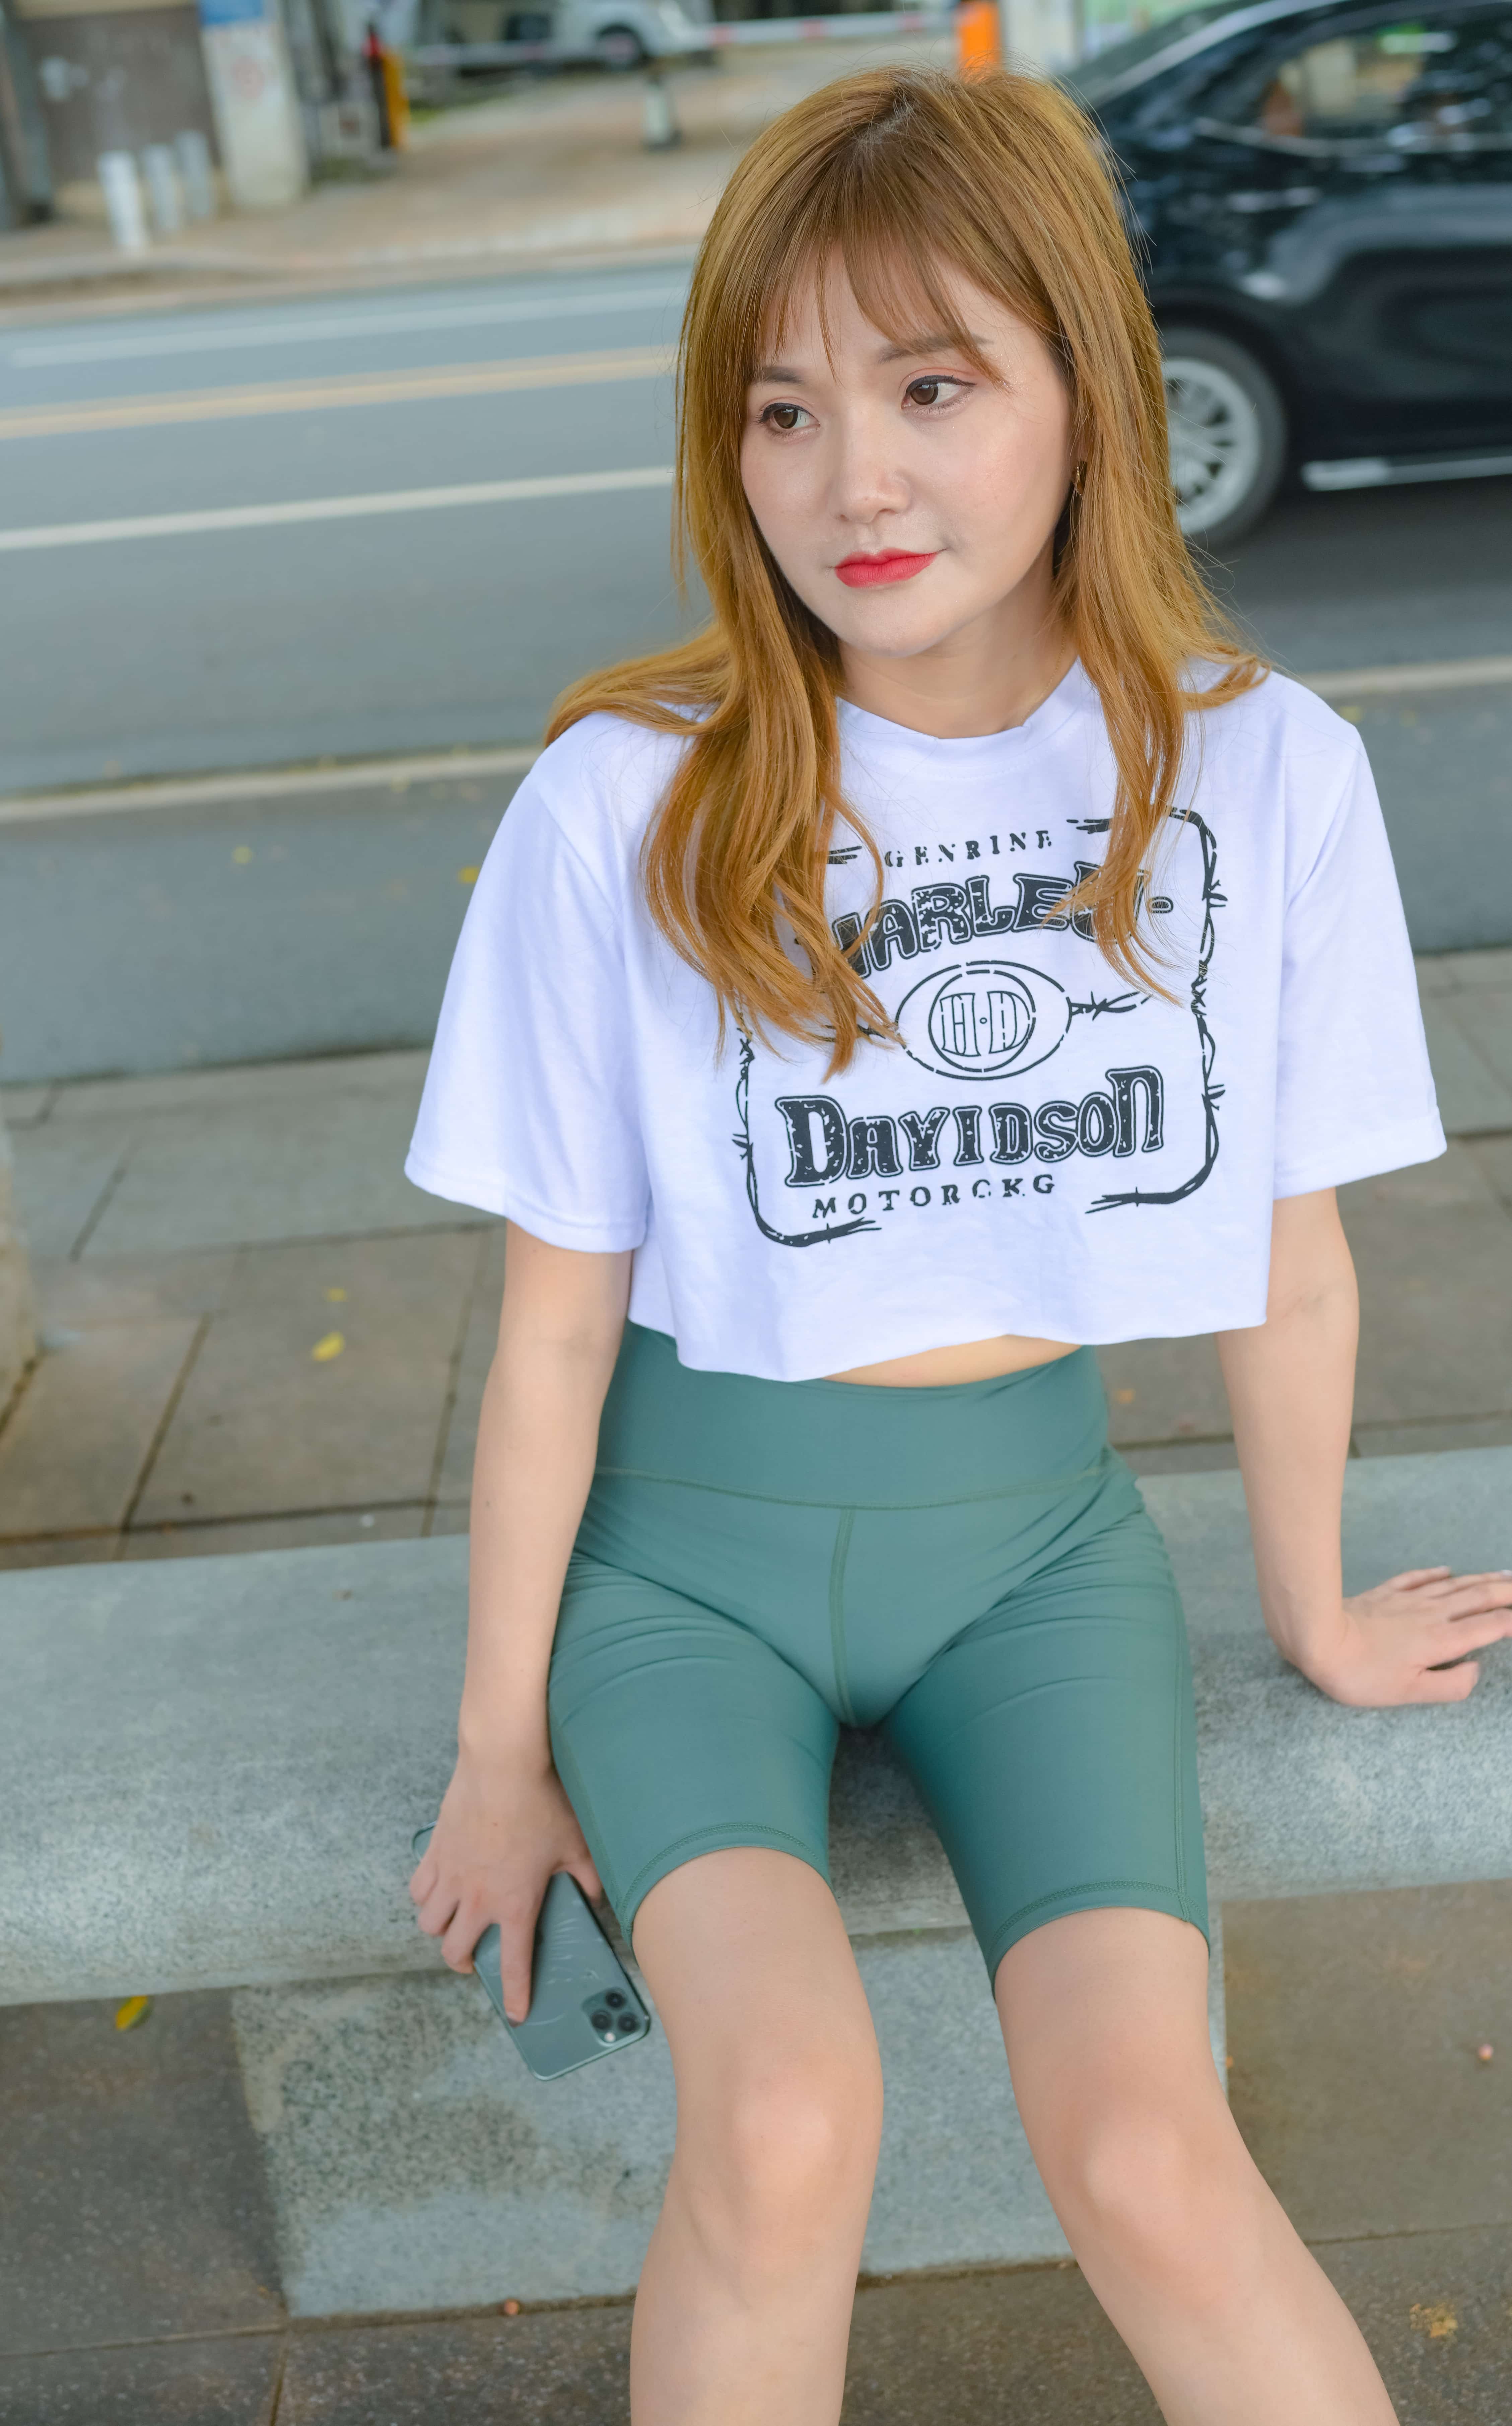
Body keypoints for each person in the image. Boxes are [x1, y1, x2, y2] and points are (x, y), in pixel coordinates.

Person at [404, 65, 1512, 2424]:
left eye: (931, 386)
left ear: (1083, 392)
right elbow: (547, 1333)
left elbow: (1288, 1255)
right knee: (789, 2122)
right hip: (685, 1571)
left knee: (1145, 2144)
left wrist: (1306, 1605)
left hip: (1034, 1554)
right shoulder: (634, 793)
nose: (853, 479)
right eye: (782, 409)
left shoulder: (1256, 766)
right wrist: (499, 1750)